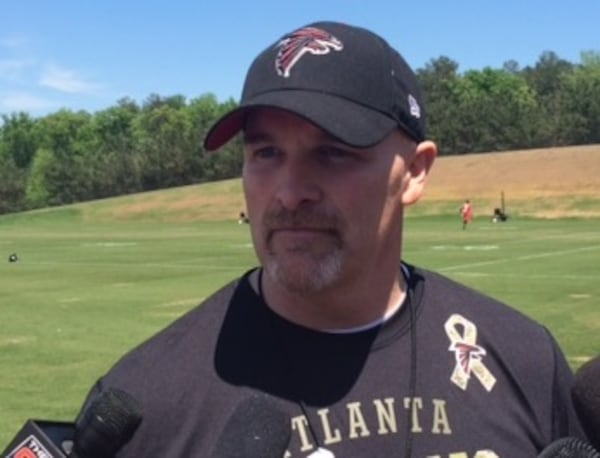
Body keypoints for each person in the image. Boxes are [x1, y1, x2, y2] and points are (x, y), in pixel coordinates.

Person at [75, 21, 586, 457]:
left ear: (413, 172)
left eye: (335, 152)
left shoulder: (523, 359)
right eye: (266, 154)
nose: (291, 192)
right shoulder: (144, 402)